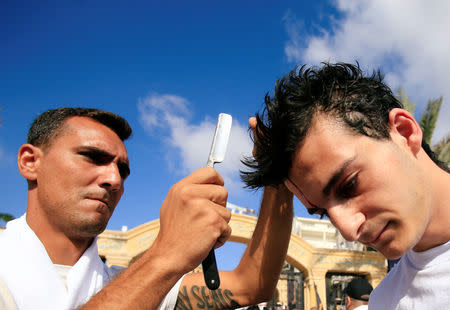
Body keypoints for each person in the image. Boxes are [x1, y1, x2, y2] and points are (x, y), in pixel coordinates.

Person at [0, 107, 294, 309]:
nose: (114, 179)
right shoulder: (148, 278)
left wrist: (277, 175)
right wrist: (168, 253)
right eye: (92, 157)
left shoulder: (126, 282)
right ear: (30, 162)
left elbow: (251, 284)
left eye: (123, 170)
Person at [241, 63, 450, 309]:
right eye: (323, 213)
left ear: (405, 132)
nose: (349, 231)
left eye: (349, 185)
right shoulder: (384, 300)